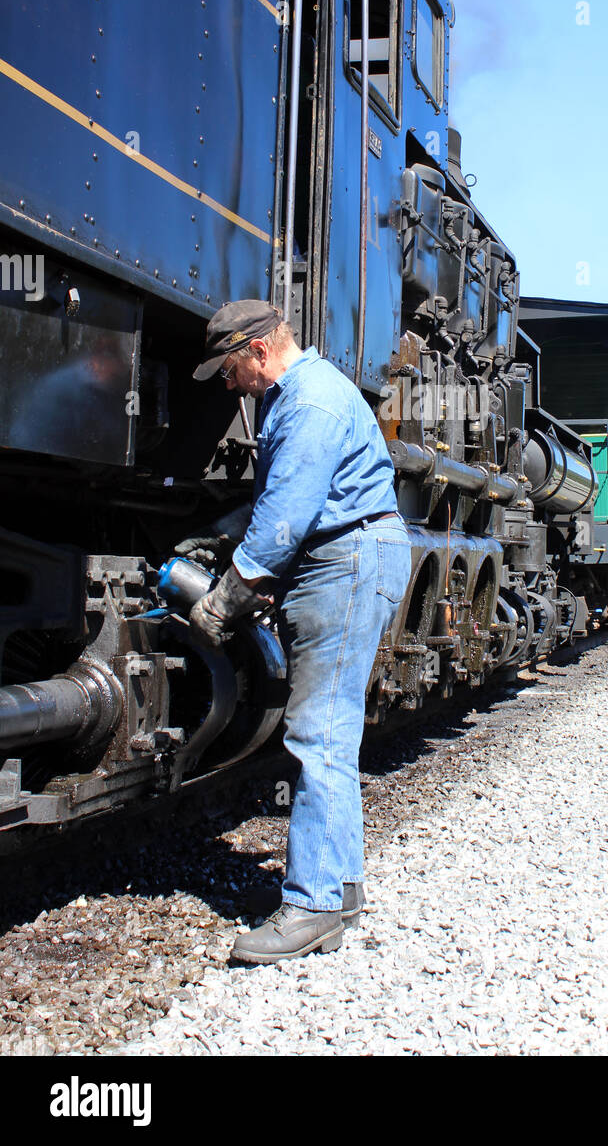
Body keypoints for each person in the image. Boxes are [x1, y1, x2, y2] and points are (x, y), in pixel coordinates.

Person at [184, 301, 411, 964]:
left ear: (256, 351)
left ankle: (309, 905)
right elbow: (278, 500)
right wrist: (222, 534)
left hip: (342, 564)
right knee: (330, 731)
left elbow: (285, 519)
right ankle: (337, 890)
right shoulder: (310, 393)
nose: (230, 386)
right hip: (347, 559)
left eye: (229, 370)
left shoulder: (306, 404)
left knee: (318, 735)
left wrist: (225, 599)